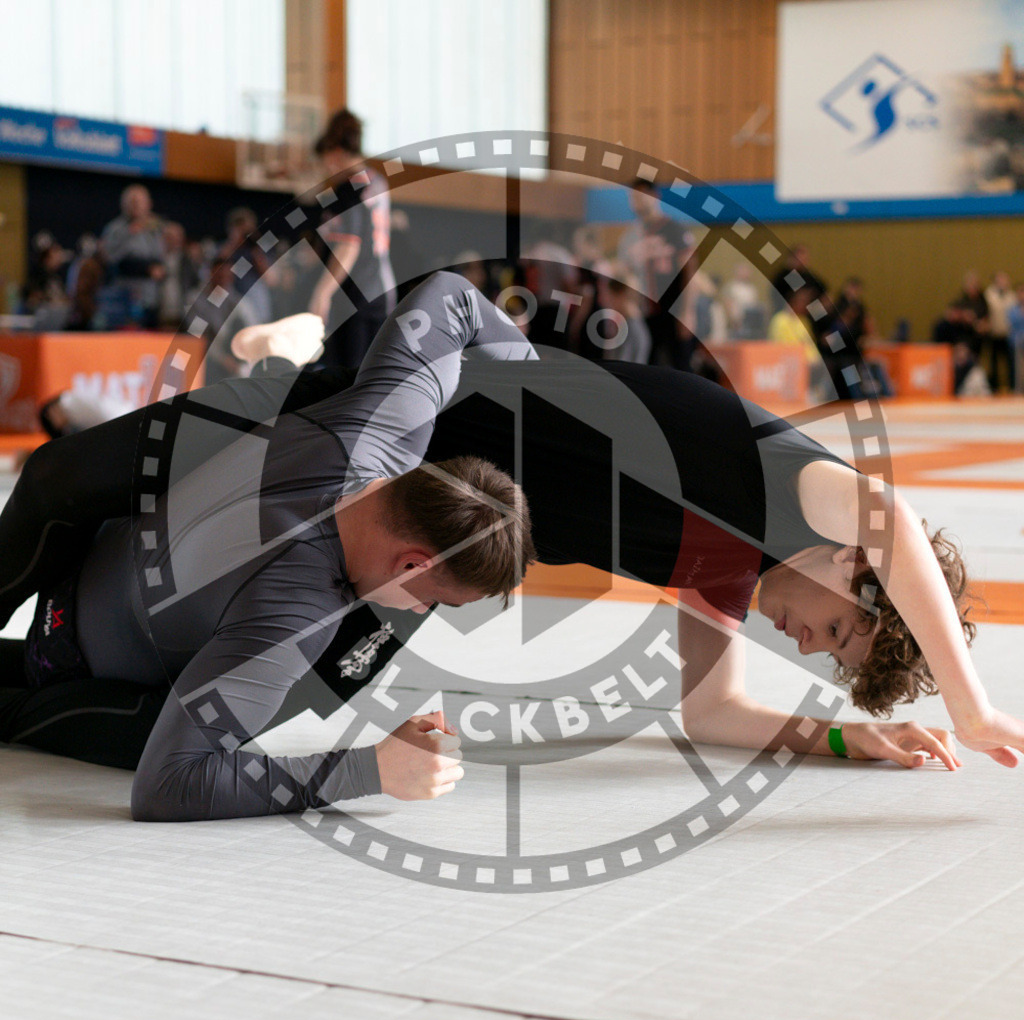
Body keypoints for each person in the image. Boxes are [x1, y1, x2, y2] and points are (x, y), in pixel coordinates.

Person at [5, 278, 1024, 792]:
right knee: (68, 482)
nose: (810, 646)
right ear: (853, 570)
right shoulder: (793, 487)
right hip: (387, 412)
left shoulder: (728, 566)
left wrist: (841, 734)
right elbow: (892, 524)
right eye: (842, 634)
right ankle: (299, 346)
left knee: (233, 722)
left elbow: (712, 707)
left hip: (441, 532)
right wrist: (974, 707)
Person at [0, 273, 537, 821]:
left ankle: (278, 359)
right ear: (412, 565)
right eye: (435, 600)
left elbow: (453, 296)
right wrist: (372, 768)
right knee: (158, 735)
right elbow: (166, 783)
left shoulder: (385, 425)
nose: (422, 612)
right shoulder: (295, 613)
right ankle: (276, 358)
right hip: (62, 663)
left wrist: (544, 387)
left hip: (78, 550)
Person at [309, 109, 397, 368]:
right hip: (380, 289)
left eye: (325, 159)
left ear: (334, 152)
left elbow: (349, 245)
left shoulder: (349, 188)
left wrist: (321, 293)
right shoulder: (376, 180)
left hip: (356, 297)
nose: (325, 167)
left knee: (347, 381)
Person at [617, 178, 694, 368]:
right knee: (649, 365)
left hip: (673, 308)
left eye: (640, 196)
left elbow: (690, 273)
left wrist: (687, 311)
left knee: (680, 366)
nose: (636, 201)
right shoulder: (631, 237)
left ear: (654, 197)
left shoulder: (674, 230)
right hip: (647, 311)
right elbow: (627, 275)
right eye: (633, 197)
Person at [99, 184, 166, 328]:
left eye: (140, 202)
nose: (136, 206)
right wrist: (130, 233)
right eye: (132, 202)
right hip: (124, 298)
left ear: (148, 204)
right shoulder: (115, 229)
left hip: (151, 297)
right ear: (124, 205)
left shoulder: (154, 229)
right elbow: (110, 258)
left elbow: (161, 256)